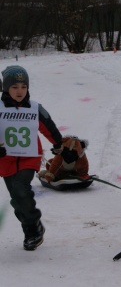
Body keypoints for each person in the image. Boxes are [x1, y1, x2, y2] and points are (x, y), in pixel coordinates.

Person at [0, 65, 63, 250]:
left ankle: (33, 229)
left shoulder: (35, 108)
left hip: (29, 157)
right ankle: (32, 227)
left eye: (23, 87)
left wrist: (59, 145)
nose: (20, 91)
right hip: (5, 160)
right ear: (6, 88)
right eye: (14, 87)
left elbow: (49, 127)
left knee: (21, 189)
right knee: (17, 200)